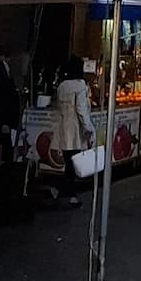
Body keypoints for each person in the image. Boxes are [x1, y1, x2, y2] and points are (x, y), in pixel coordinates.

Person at [55, 56, 95, 207]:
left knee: (68, 161)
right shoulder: (80, 85)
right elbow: (81, 109)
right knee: (75, 162)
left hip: (63, 126)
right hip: (75, 128)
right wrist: (88, 127)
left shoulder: (62, 86)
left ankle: (63, 191)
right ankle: (70, 194)